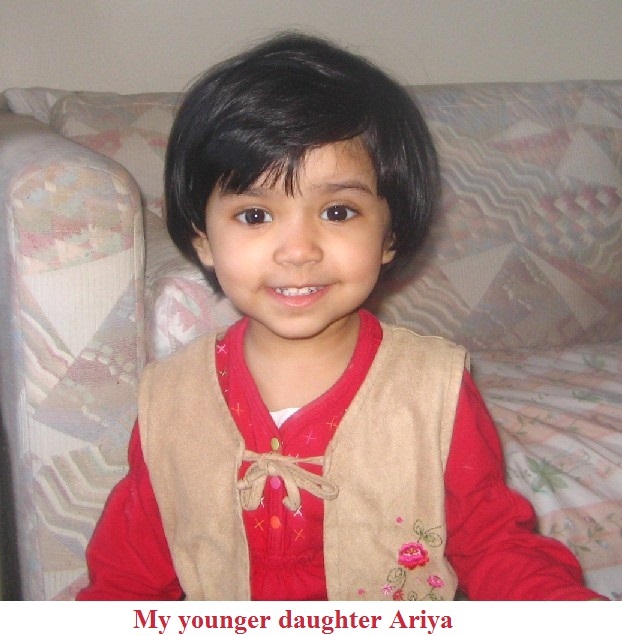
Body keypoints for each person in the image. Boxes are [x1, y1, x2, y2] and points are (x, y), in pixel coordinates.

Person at [77, 32, 605, 601]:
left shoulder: (433, 391)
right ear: (203, 239)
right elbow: (129, 574)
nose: (298, 250)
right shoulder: (172, 400)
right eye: (255, 215)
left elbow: (495, 543)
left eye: (337, 211)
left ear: (390, 234)